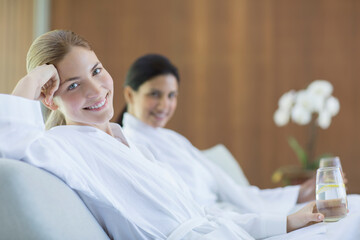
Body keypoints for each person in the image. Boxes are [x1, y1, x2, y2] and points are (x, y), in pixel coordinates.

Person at [0, 30, 323, 240]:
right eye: (73, 84)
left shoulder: (128, 142)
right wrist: (37, 75)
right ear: (48, 96)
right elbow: (9, 143)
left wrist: (287, 222)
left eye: (97, 70)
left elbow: (203, 215)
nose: (97, 89)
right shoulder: (62, 146)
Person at [119, 54, 316, 218]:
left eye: (171, 95)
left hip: (229, 217)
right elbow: (184, 209)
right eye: (154, 94)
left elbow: (229, 188)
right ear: (129, 95)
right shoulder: (130, 146)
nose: (164, 105)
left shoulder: (170, 138)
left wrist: (295, 194)